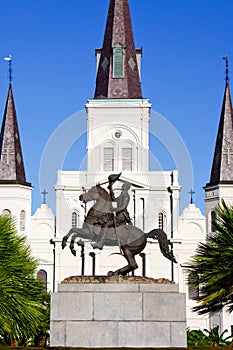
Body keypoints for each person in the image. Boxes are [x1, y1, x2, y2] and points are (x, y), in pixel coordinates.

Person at [92, 178, 132, 250]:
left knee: (106, 224)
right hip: (118, 214)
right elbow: (114, 200)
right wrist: (111, 189)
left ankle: (100, 243)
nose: (122, 186)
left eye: (124, 185)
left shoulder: (126, 196)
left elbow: (123, 207)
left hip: (122, 215)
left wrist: (115, 209)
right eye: (123, 185)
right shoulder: (121, 195)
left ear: (126, 187)